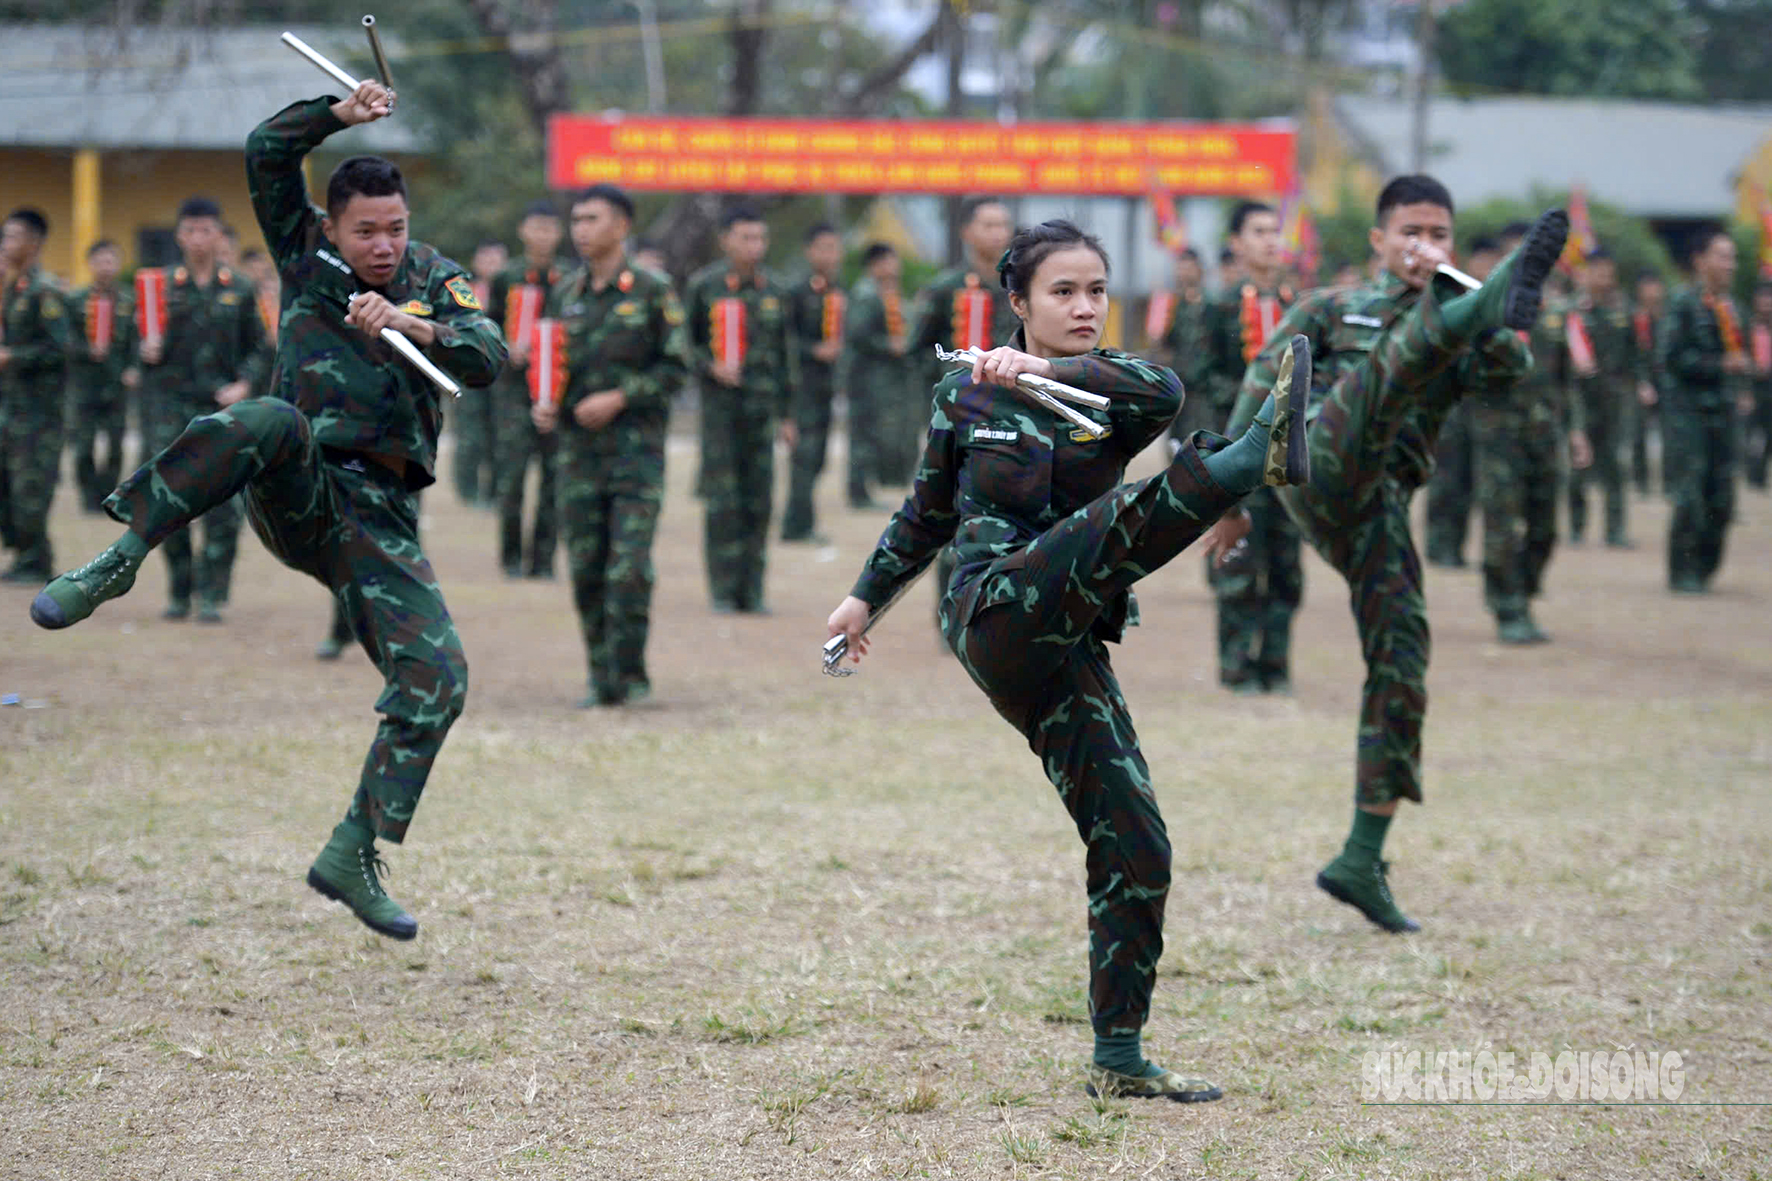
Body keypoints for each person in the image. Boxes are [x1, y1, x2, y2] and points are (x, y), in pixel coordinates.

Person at [826, 219, 1310, 1102]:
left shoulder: (1116, 390)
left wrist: (1047, 370)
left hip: (1069, 631)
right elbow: (926, 513)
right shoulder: (965, 395)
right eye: (1062, 292)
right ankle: (1246, 461)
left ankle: (1118, 1055)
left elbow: (1163, 389)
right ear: (1016, 301)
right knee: (1108, 524)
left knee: (1137, 837)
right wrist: (865, 597)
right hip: (992, 610)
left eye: (1096, 290)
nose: (1084, 306)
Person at [31, 79, 506, 941]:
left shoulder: (433, 277)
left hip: (379, 515)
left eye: (394, 228)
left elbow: (488, 352)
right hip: (300, 482)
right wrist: (335, 113)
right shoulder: (303, 254)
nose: (382, 245)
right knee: (269, 417)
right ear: (331, 228)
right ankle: (121, 557)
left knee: (440, 679)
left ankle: (354, 848)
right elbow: (265, 151)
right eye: (365, 231)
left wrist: (415, 323)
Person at [1223, 179, 1565, 933]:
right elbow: (1259, 385)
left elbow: (1513, 367)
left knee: (1403, 658)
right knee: (1377, 382)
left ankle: (1361, 858)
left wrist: (1484, 317)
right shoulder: (1327, 306)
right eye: (1410, 230)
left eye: (1439, 233)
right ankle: (1484, 292)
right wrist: (1227, 495)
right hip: (1311, 461)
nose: (1424, 245)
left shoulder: (1460, 319)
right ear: (1379, 240)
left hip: (1375, 503)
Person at [535, 183, 687, 707]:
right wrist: (546, 400)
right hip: (577, 457)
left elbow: (676, 368)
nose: (580, 229)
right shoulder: (566, 295)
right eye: (575, 219)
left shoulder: (652, 290)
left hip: (634, 457)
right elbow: (552, 363)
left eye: (592, 219)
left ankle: (631, 674)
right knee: (585, 568)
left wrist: (621, 397)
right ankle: (600, 677)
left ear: (621, 226)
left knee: (627, 568)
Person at [134, 197, 271, 622]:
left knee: (223, 508)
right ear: (179, 236)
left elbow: (260, 348)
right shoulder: (159, 288)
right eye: (190, 230)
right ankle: (179, 590)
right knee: (168, 503)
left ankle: (213, 594)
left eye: (206, 230)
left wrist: (245, 383)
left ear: (219, 235)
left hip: (221, 411)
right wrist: (144, 350)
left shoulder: (241, 289)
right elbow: (129, 349)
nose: (198, 239)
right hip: (169, 410)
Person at [1468, 221, 1589, 645]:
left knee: (1545, 527)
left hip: (1544, 433)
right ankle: (1509, 607)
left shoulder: (1553, 312)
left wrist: (1576, 431)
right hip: (1498, 433)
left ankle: (1523, 589)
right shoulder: (1483, 310)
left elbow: (1566, 381)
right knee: (1502, 524)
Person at [1199, 200, 1302, 694]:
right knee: (1238, 560)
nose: (1270, 240)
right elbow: (1197, 380)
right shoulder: (1216, 307)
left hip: (1289, 458)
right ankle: (1236, 665)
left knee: (1286, 565)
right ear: (1236, 243)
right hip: (1236, 454)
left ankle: (1276, 664)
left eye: (1274, 230)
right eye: (1258, 231)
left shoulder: (1299, 304)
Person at [908, 197, 1019, 621]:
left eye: (1003, 224)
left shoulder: (1021, 290)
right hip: (960, 420)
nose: (997, 233)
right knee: (954, 510)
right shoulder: (944, 288)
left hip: (1014, 418)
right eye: (988, 224)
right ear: (967, 233)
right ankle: (951, 611)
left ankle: (996, 612)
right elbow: (919, 351)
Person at [684, 206, 797, 613]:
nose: (755, 247)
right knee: (723, 503)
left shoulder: (775, 290)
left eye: (760, 239)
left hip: (761, 413)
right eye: (746, 238)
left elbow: (787, 358)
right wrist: (710, 365)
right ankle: (722, 591)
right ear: (726, 240)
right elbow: (683, 344)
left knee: (759, 502)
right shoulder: (704, 286)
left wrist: (787, 414)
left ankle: (753, 591)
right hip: (720, 413)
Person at [1660, 228, 1747, 594]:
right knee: (1690, 494)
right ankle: (1683, 572)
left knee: (1722, 496)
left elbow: (1739, 358)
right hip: (1689, 415)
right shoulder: (1682, 304)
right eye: (1722, 256)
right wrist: (1718, 366)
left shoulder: (1733, 308)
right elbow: (1670, 358)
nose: (1730, 265)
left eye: (1733, 257)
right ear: (1700, 261)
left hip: (1724, 414)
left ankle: (1707, 566)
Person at [488, 202, 566, 579]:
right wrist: (507, 347)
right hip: (514, 394)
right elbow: (485, 328)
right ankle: (511, 557)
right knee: (512, 479)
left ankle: (544, 560)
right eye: (537, 228)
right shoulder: (507, 277)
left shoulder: (570, 278)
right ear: (523, 231)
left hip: (555, 393)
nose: (544, 236)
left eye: (550, 228)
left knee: (554, 478)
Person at [0, 208, 72, 583]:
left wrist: (14, 356)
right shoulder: (14, 288)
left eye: (13, 236)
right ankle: (26, 555)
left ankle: (36, 561)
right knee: (11, 486)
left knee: (31, 489)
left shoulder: (45, 292)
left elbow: (62, 349)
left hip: (39, 413)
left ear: (34, 242)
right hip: (12, 407)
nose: (6, 243)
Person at [1422, 234, 1501, 568]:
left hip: (1484, 406)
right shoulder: (1454, 298)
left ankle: (1458, 547)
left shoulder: (1498, 303)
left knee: (1475, 480)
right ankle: (1440, 545)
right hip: (1450, 403)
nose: (1486, 267)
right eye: (1481, 260)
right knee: (1447, 479)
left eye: (1492, 261)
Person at [1565, 248, 1644, 547]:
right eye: (1599, 271)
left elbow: (1635, 355)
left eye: (1609, 273)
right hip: (1579, 398)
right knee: (1578, 466)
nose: (1605, 279)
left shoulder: (1623, 311)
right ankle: (1576, 527)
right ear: (1586, 273)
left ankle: (1615, 530)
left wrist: (1637, 385)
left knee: (1615, 465)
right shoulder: (1572, 312)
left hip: (1614, 398)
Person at [780, 223, 846, 543]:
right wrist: (812, 349)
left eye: (834, 248)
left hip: (826, 387)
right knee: (803, 458)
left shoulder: (837, 291)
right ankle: (796, 525)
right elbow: (784, 340)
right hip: (801, 386)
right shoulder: (794, 293)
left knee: (819, 457)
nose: (829, 255)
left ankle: (802, 520)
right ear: (809, 251)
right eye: (822, 248)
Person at [66, 239, 137, 514]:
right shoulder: (75, 300)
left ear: (118, 264)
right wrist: (86, 350)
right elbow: (64, 340)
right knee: (83, 445)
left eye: (111, 261)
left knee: (116, 444)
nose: (105, 267)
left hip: (117, 383)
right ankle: (87, 495)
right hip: (84, 384)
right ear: (90, 264)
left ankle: (109, 494)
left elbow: (138, 339)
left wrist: (133, 368)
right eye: (100, 261)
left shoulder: (130, 300)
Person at [844, 243, 921, 496]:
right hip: (866, 375)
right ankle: (858, 492)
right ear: (874, 265)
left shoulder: (889, 293)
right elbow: (857, 334)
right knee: (863, 433)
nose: (894, 268)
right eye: (888, 262)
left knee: (881, 431)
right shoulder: (866, 293)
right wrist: (889, 346)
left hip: (886, 375)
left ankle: (875, 484)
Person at [451, 239, 507, 507]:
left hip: (502, 376)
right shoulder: (463, 291)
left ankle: (494, 492)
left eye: (497, 260)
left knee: (499, 435)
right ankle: (467, 491)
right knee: (470, 435)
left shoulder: (512, 293)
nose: (492, 266)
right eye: (487, 259)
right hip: (468, 374)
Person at [1631, 272, 1668, 496]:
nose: (1652, 292)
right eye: (1647, 287)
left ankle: (1669, 482)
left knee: (1670, 433)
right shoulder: (1634, 317)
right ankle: (1641, 481)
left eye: (1655, 287)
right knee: (1639, 433)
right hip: (1641, 380)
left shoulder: (1668, 318)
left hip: (1666, 381)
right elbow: (1631, 353)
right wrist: (1640, 381)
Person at [1743, 283, 1772, 491]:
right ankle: (1752, 476)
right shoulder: (1747, 325)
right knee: (1751, 434)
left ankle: (1761, 474)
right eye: (1762, 298)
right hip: (1753, 386)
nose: (1765, 302)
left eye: (1768, 298)